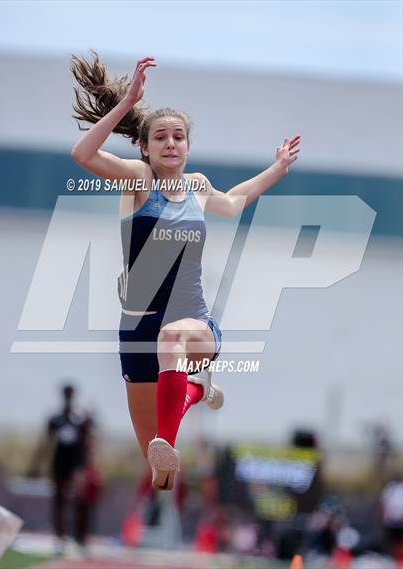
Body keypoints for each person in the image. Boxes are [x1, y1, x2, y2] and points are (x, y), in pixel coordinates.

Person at [70, 52, 300, 491]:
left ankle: (182, 408)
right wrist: (127, 102)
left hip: (193, 324)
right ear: (144, 146)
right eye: (160, 137)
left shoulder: (197, 186)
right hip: (137, 331)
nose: (171, 143)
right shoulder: (138, 180)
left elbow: (232, 203)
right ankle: (195, 393)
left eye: (178, 137)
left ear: (188, 147)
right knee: (160, 476)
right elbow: (83, 154)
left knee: (171, 339)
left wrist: (277, 168)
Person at [28, 383, 98, 553]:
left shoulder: (81, 417)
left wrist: (88, 465)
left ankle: (80, 537)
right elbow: (46, 442)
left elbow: (88, 441)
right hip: (60, 462)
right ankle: (60, 536)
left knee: (80, 499)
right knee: (58, 500)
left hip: (77, 464)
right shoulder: (55, 418)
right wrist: (36, 465)